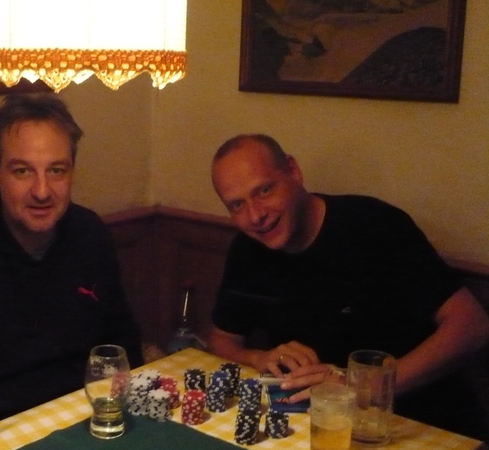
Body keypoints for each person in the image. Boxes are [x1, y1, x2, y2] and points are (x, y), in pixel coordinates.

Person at [208, 133, 489, 440]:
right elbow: (222, 340)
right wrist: (259, 358)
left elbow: (472, 325)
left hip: (419, 422)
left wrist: (363, 388)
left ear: (293, 172)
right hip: (320, 424)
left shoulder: (374, 225)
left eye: (264, 190)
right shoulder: (247, 251)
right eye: (237, 205)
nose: (256, 215)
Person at [0, 93, 144, 426]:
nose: (42, 191)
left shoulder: (91, 234)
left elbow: (124, 349)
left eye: (56, 170)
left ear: (73, 171)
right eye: (23, 171)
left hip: (88, 418)